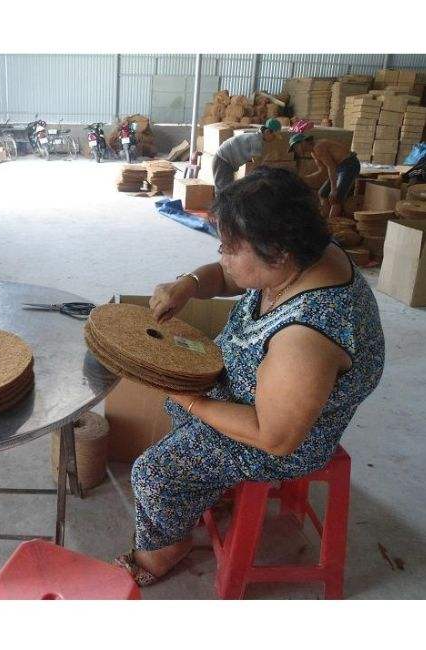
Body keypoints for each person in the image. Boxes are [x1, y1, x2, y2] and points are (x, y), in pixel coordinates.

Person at [115, 167, 385, 586]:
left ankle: (165, 548)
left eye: (230, 248)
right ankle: (207, 487)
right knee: (179, 394)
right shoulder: (299, 254)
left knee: (154, 472)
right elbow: (231, 276)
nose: (221, 256)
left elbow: (273, 437)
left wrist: (192, 399)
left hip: (284, 439)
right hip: (259, 395)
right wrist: (190, 284)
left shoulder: (307, 337)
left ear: (278, 252)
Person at [290, 133, 360, 221]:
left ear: (303, 142)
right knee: (322, 193)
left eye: (295, 147)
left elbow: (331, 167)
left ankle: (331, 224)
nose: (295, 151)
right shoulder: (313, 153)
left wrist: (333, 189)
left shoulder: (318, 147)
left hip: (349, 164)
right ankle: (324, 220)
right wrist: (304, 178)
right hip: (338, 168)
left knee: (336, 197)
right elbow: (322, 171)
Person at [211, 118, 282, 195]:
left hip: (224, 161)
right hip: (223, 161)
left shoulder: (255, 137)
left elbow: (255, 162)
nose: (274, 139)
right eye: (274, 136)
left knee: (229, 190)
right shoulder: (257, 141)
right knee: (224, 192)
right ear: (267, 132)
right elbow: (257, 165)